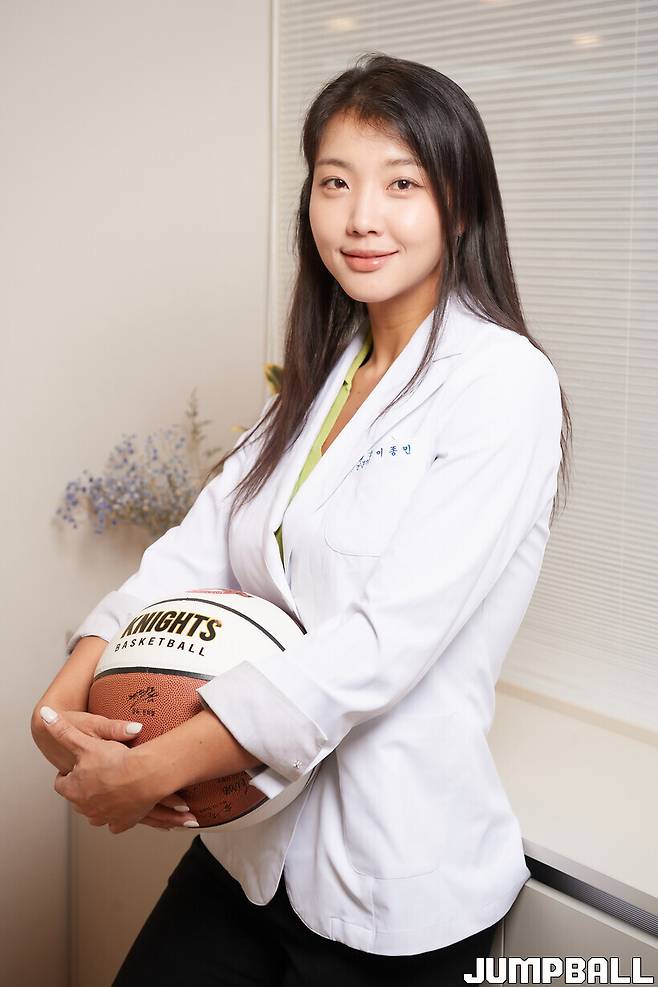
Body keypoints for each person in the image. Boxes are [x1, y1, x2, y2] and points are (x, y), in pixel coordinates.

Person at [32, 52, 572, 985]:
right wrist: (62, 707)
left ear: (460, 204)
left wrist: (156, 768)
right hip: (249, 849)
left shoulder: (503, 384)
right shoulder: (323, 379)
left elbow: (380, 642)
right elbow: (196, 549)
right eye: (335, 182)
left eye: (402, 183)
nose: (361, 216)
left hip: (391, 884)